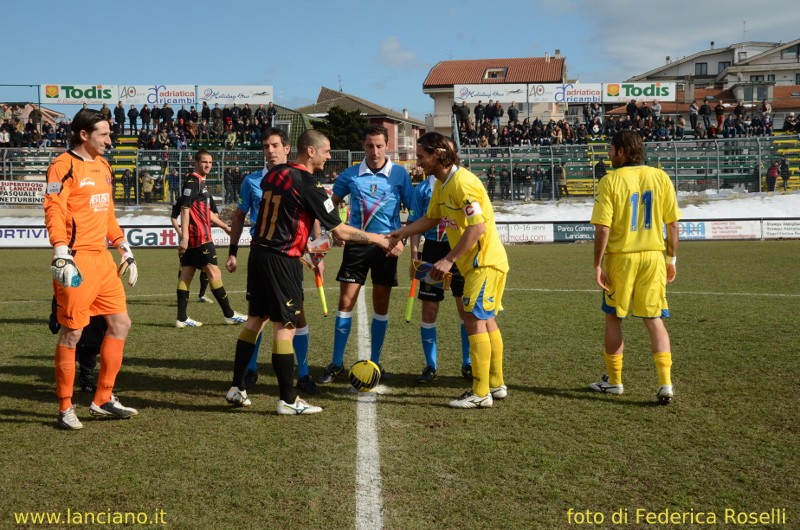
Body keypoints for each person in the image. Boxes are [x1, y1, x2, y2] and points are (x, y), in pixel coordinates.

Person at [225, 129, 401, 414]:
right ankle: (288, 400)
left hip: (258, 255)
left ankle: (236, 387)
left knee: (255, 321)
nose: (329, 156)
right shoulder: (308, 184)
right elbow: (339, 229)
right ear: (310, 151)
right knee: (286, 328)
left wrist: (309, 244)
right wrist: (379, 239)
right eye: (327, 151)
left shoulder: (273, 175)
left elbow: (290, 218)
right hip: (283, 260)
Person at [389, 132, 508, 409]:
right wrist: (402, 233)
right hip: (479, 264)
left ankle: (480, 392)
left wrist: (449, 259)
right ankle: (495, 383)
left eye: (421, 156)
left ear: (439, 154)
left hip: (483, 263)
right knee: (486, 320)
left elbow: (477, 228)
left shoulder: (463, 183)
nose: (418, 162)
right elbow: (431, 219)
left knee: (475, 321)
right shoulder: (441, 185)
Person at [44, 108, 140, 429]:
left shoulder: (104, 166)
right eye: (103, 134)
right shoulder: (62, 166)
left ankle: (103, 398)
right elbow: (54, 209)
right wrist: (60, 249)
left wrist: (123, 246)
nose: (109, 141)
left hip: (103, 260)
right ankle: (64, 408)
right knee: (73, 333)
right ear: (84, 135)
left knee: (121, 323)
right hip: (76, 259)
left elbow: (108, 214)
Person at [317, 125, 417, 384]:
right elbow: (330, 205)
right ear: (363, 147)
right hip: (358, 244)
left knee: (381, 304)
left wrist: (402, 239)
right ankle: (337, 363)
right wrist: (333, 231)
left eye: (380, 146)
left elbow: (415, 213)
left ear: (387, 146)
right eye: (370, 146)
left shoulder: (399, 174)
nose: (375, 151)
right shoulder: (351, 175)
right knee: (346, 302)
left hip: (387, 245)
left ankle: (375, 361)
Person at [226, 128, 322, 395]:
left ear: (287, 148)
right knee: (264, 319)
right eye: (266, 146)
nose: (270, 150)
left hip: (291, 254)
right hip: (268, 255)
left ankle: (302, 374)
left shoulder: (300, 178)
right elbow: (238, 216)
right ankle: (251, 373)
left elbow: (311, 217)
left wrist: (313, 249)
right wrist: (232, 251)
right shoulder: (253, 181)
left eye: (275, 145)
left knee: (295, 317)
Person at [589, 130, 681, 405]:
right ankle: (665, 384)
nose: (608, 153)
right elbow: (673, 224)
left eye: (611, 149)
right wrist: (671, 259)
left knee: (613, 317)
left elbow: (603, 228)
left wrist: (596, 264)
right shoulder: (660, 176)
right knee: (653, 319)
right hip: (653, 257)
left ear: (623, 151)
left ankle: (614, 381)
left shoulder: (610, 180)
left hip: (622, 258)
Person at [408, 162, 472, 383]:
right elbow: (416, 221)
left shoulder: (461, 184)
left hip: (458, 249)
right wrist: (414, 256)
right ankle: (430, 366)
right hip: (433, 249)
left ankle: (468, 364)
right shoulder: (423, 188)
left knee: (465, 309)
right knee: (429, 309)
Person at [176, 150, 246, 328]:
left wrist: (224, 227)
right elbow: (185, 209)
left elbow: (204, 212)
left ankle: (182, 318)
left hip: (196, 237)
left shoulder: (201, 182)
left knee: (187, 274)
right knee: (214, 273)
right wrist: (184, 237)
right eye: (204, 162)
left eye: (210, 162)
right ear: (196, 163)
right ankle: (229, 314)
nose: (207, 165)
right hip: (199, 237)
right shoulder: (193, 181)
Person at [170, 194, 213, 304]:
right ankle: (182, 297)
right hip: (186, 239)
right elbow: (173, 217)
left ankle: (202, 295)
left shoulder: (207, 197)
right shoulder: (181, 199)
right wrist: (180, 232)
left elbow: (214, 213)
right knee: (184, 268)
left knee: (205, 266)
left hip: (201, 237)